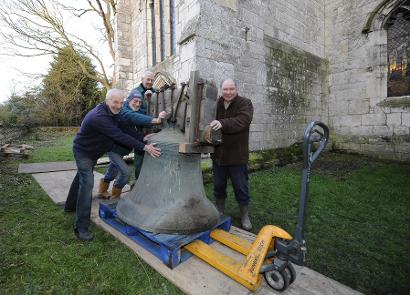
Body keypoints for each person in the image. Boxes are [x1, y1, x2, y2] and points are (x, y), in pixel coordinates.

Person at [64, 89, 161, 241]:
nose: (119, 106)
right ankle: (81, 227)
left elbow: (126, 129)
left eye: (121, 102)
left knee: (81, 177)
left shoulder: (116, 113)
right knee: (87, 183)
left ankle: (69, 205)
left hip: (95, 151)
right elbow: (118, 135)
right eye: (115, 102)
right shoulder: (99, 117)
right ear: (107, 101)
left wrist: (142, 137)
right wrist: (144, 147)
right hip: (84, 152)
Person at [98, 90, 166, 199]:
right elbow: (133, 117)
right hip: (113, 149)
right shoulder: (123, 111)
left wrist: (143, 137)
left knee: (112, 171)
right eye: (135, 101)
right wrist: (156, 120)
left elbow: (132, 130)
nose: (137, 104)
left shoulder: (135, 110)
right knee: (125, 172)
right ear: (128, 101)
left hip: (121, 151)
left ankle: (102, 191)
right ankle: (115, 196)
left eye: (140, 102)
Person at [210, 79, 254, 231]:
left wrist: (223, 123)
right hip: (219, 156)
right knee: (218, 186)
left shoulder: (245, 103)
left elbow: (243, 120)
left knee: (241, 188)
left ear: (236, 89)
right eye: (225, 89)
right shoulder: (215, 104)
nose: (228, 92)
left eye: (231, 89)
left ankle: (244, 214)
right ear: (221, 90)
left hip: (237, 156)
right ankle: (220, 210)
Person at [129, 71, 158, 180]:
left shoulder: (156, 92)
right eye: (148, 79)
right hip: (141, 130)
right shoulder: (135, 92)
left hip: (154, 129)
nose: (150, 82)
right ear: (142, 79)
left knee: (154, 155)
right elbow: (132, 113)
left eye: (152, 80)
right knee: (140, 158)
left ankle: (150, 182)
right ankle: (138, 183)